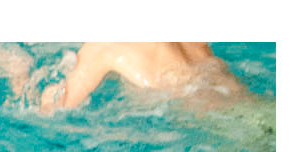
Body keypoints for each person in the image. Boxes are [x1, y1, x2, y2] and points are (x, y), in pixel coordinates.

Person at [39, 43, 247, 112]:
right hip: (247, 104)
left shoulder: (102, 45)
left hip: (209, 124)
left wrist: (21, 76)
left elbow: (54, 111)